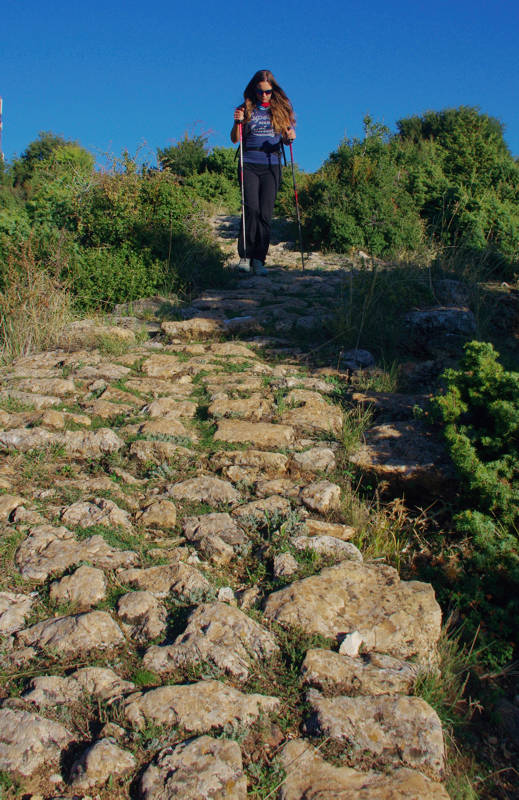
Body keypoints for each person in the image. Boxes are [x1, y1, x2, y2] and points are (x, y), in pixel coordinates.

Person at [230, 69, 296, 275]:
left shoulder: (281, 111)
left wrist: (290, 137)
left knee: (265, 213)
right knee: (251, 209)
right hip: (248, 162)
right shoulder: (245, 109)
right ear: (254, 90)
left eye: (268, 92)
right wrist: (236, 122)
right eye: (260, 92)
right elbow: (235, 139)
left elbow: (286, 138)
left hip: (271, 164)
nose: (264, 95)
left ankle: (259, 259)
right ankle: (245, 257)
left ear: (274, 91)